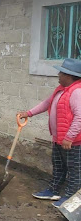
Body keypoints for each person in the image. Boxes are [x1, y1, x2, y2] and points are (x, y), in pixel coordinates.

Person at [18, 58, 81, 207]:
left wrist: (70, 137)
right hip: (58, 139)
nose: (58, 75)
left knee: (74, 170)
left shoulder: (77, 92)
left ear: (69, 76)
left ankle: (71, 198)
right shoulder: (60, 90)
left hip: (73, 142)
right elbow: (46, 103)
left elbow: (80, 116)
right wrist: (29, 113)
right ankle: (53, 190)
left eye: (61, 73)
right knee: (58, 166)